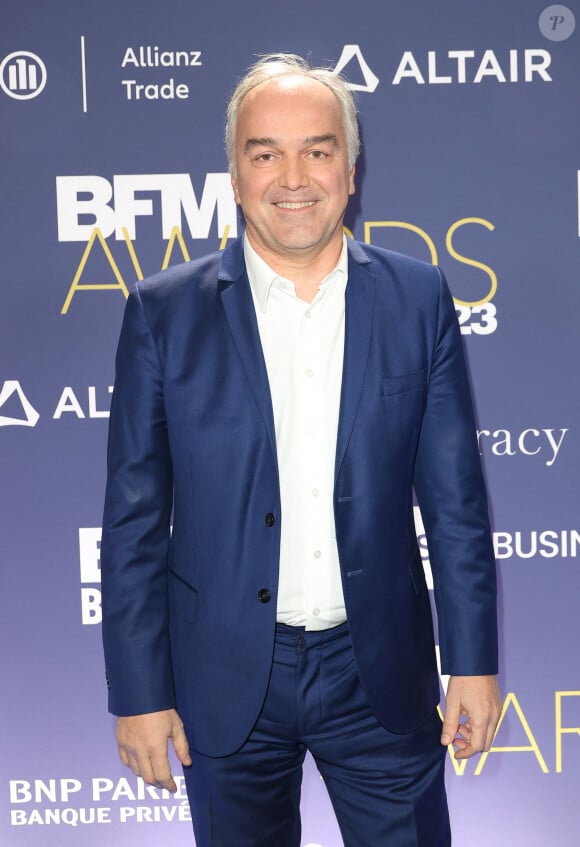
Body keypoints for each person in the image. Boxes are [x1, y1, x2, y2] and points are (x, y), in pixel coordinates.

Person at [101, 53, 501, 846]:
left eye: (317, 150)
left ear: (350, 172)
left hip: (378, 668)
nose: (294, 176)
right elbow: (134, 523)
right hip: (224, 676)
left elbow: (455, 501)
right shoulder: (162, 314)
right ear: (235, 174)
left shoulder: (418, 298)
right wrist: (139, 693)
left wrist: (474, 660)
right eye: (265, 153)